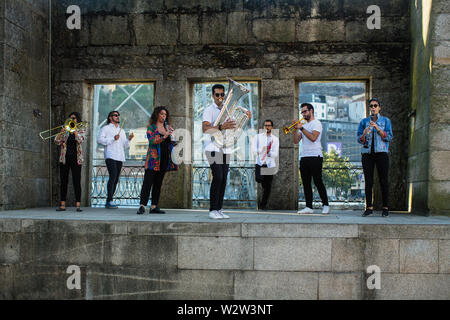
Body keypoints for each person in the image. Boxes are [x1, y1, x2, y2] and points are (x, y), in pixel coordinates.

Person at [202, 84, 251, 219]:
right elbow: (205, 129)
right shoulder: (209, 110)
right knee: (217, 177)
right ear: (213, 96)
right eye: (217, 95)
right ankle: (212, 209)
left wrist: (246, 118)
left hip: (225, 147)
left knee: (223, 179)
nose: (220, 97)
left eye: (222, 94)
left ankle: (219, 208)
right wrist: (221, 126)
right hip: (212, 147)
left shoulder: (229, 110)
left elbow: (236, 129)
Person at [137, 106, 178, 214]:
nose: (163, 116)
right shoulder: (151, 127)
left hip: (165, 157)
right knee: (148, 182)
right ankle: (142, 205)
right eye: (161, 114)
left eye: (165, 114)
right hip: (153, 159)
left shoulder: (167, 127)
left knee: (158, 183)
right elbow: (152, 141)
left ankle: (154, 206)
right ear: (156, 115)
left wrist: (173, 137)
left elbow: (172, 143)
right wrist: (164, 136)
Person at [357, 98, 393, 217]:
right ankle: (369, 207)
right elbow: (359, 139)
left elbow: (388, 137)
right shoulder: (364, 122)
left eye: (375, 105)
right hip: (367, 154)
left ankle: (385, 207)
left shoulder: (386, 121)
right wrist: (364, 133)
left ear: (379, 107)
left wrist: (377, 128)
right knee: (369, 181)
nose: (373, 108)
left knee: (383, 180)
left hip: (381, 153)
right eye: (371, 106)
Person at [292, 103, 330, 214]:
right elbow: (295, 141)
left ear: (311, 111)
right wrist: (295, 129)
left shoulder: (316, 123)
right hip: (304, 156)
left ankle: (326, 204)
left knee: (318, 181)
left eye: (305, 111)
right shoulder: (302, 125)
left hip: (315, 156)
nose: (303, 114)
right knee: (306, 183)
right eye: (302, 112)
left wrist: (301, 128)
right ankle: (309, 207)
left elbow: (313, 138)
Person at [97, 110, 134, 209]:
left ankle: (110, 200)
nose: (118, 117)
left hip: (120, 156)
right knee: (113, 176)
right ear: (110, 117)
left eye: (118, 115)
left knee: (116, 178)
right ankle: (109, 200)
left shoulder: (121, 131)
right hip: (110, 155)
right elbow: (100, 140)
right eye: (115, 115)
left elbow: (124, 145)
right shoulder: (105, 128)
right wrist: (113, 138)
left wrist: (129, 139)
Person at [55, 112, 86, 212]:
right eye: (71, 118)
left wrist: (75, 130)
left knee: (77, 181)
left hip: (76, 159)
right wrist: (61, 132)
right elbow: (56, 141)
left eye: (74, 118)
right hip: (64, 158)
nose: (72, 120)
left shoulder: (81, 130)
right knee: (63, 182)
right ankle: (62, 204)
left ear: (78, 120)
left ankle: (78, 205)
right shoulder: (65, 130)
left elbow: (80, 140)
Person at [251, 119, 279, 210]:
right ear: (263, 127)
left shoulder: (275, 139)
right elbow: (253, 151)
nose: (267, 127)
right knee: (259, 179)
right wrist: (261, 150)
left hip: (269, 164)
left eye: (269, 125)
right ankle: (261, 203)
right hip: (260, 163)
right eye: (266, 125)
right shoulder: (257, 137)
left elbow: (275, 154)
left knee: (267, 187)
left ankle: (263, 205)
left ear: (272, 127)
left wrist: (268, 152)